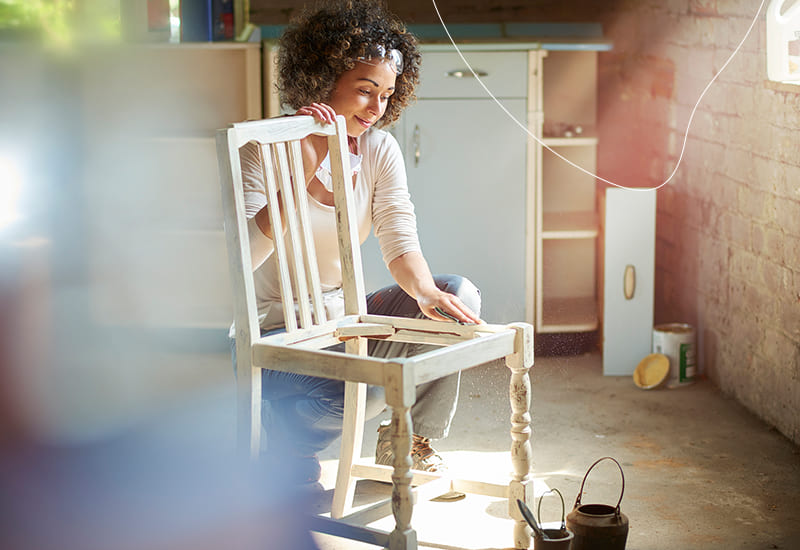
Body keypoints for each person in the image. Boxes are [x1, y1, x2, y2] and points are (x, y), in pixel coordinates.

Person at [237, 0, 485, 487]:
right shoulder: (261, 149)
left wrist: (425, 293)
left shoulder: (378, 149)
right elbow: (245, 256)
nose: (378, 109)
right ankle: (287, 449)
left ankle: (406, 440)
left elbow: (398, 236)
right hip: (275, 336)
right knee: (363, 390)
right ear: (322, 79)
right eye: (365, 91)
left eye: (388, 94)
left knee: (459, 295)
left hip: (343, 319)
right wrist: (304, 164)